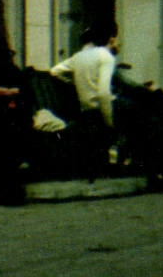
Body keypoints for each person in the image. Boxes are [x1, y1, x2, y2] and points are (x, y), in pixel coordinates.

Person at [50, 23, 119, 174]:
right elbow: (103, 93)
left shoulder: (77, 57)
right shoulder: (105, 56)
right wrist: (109, 122)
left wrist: (74, 82)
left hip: (87, 111)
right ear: (110, 39)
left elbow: (55, 71)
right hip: (103, 110)